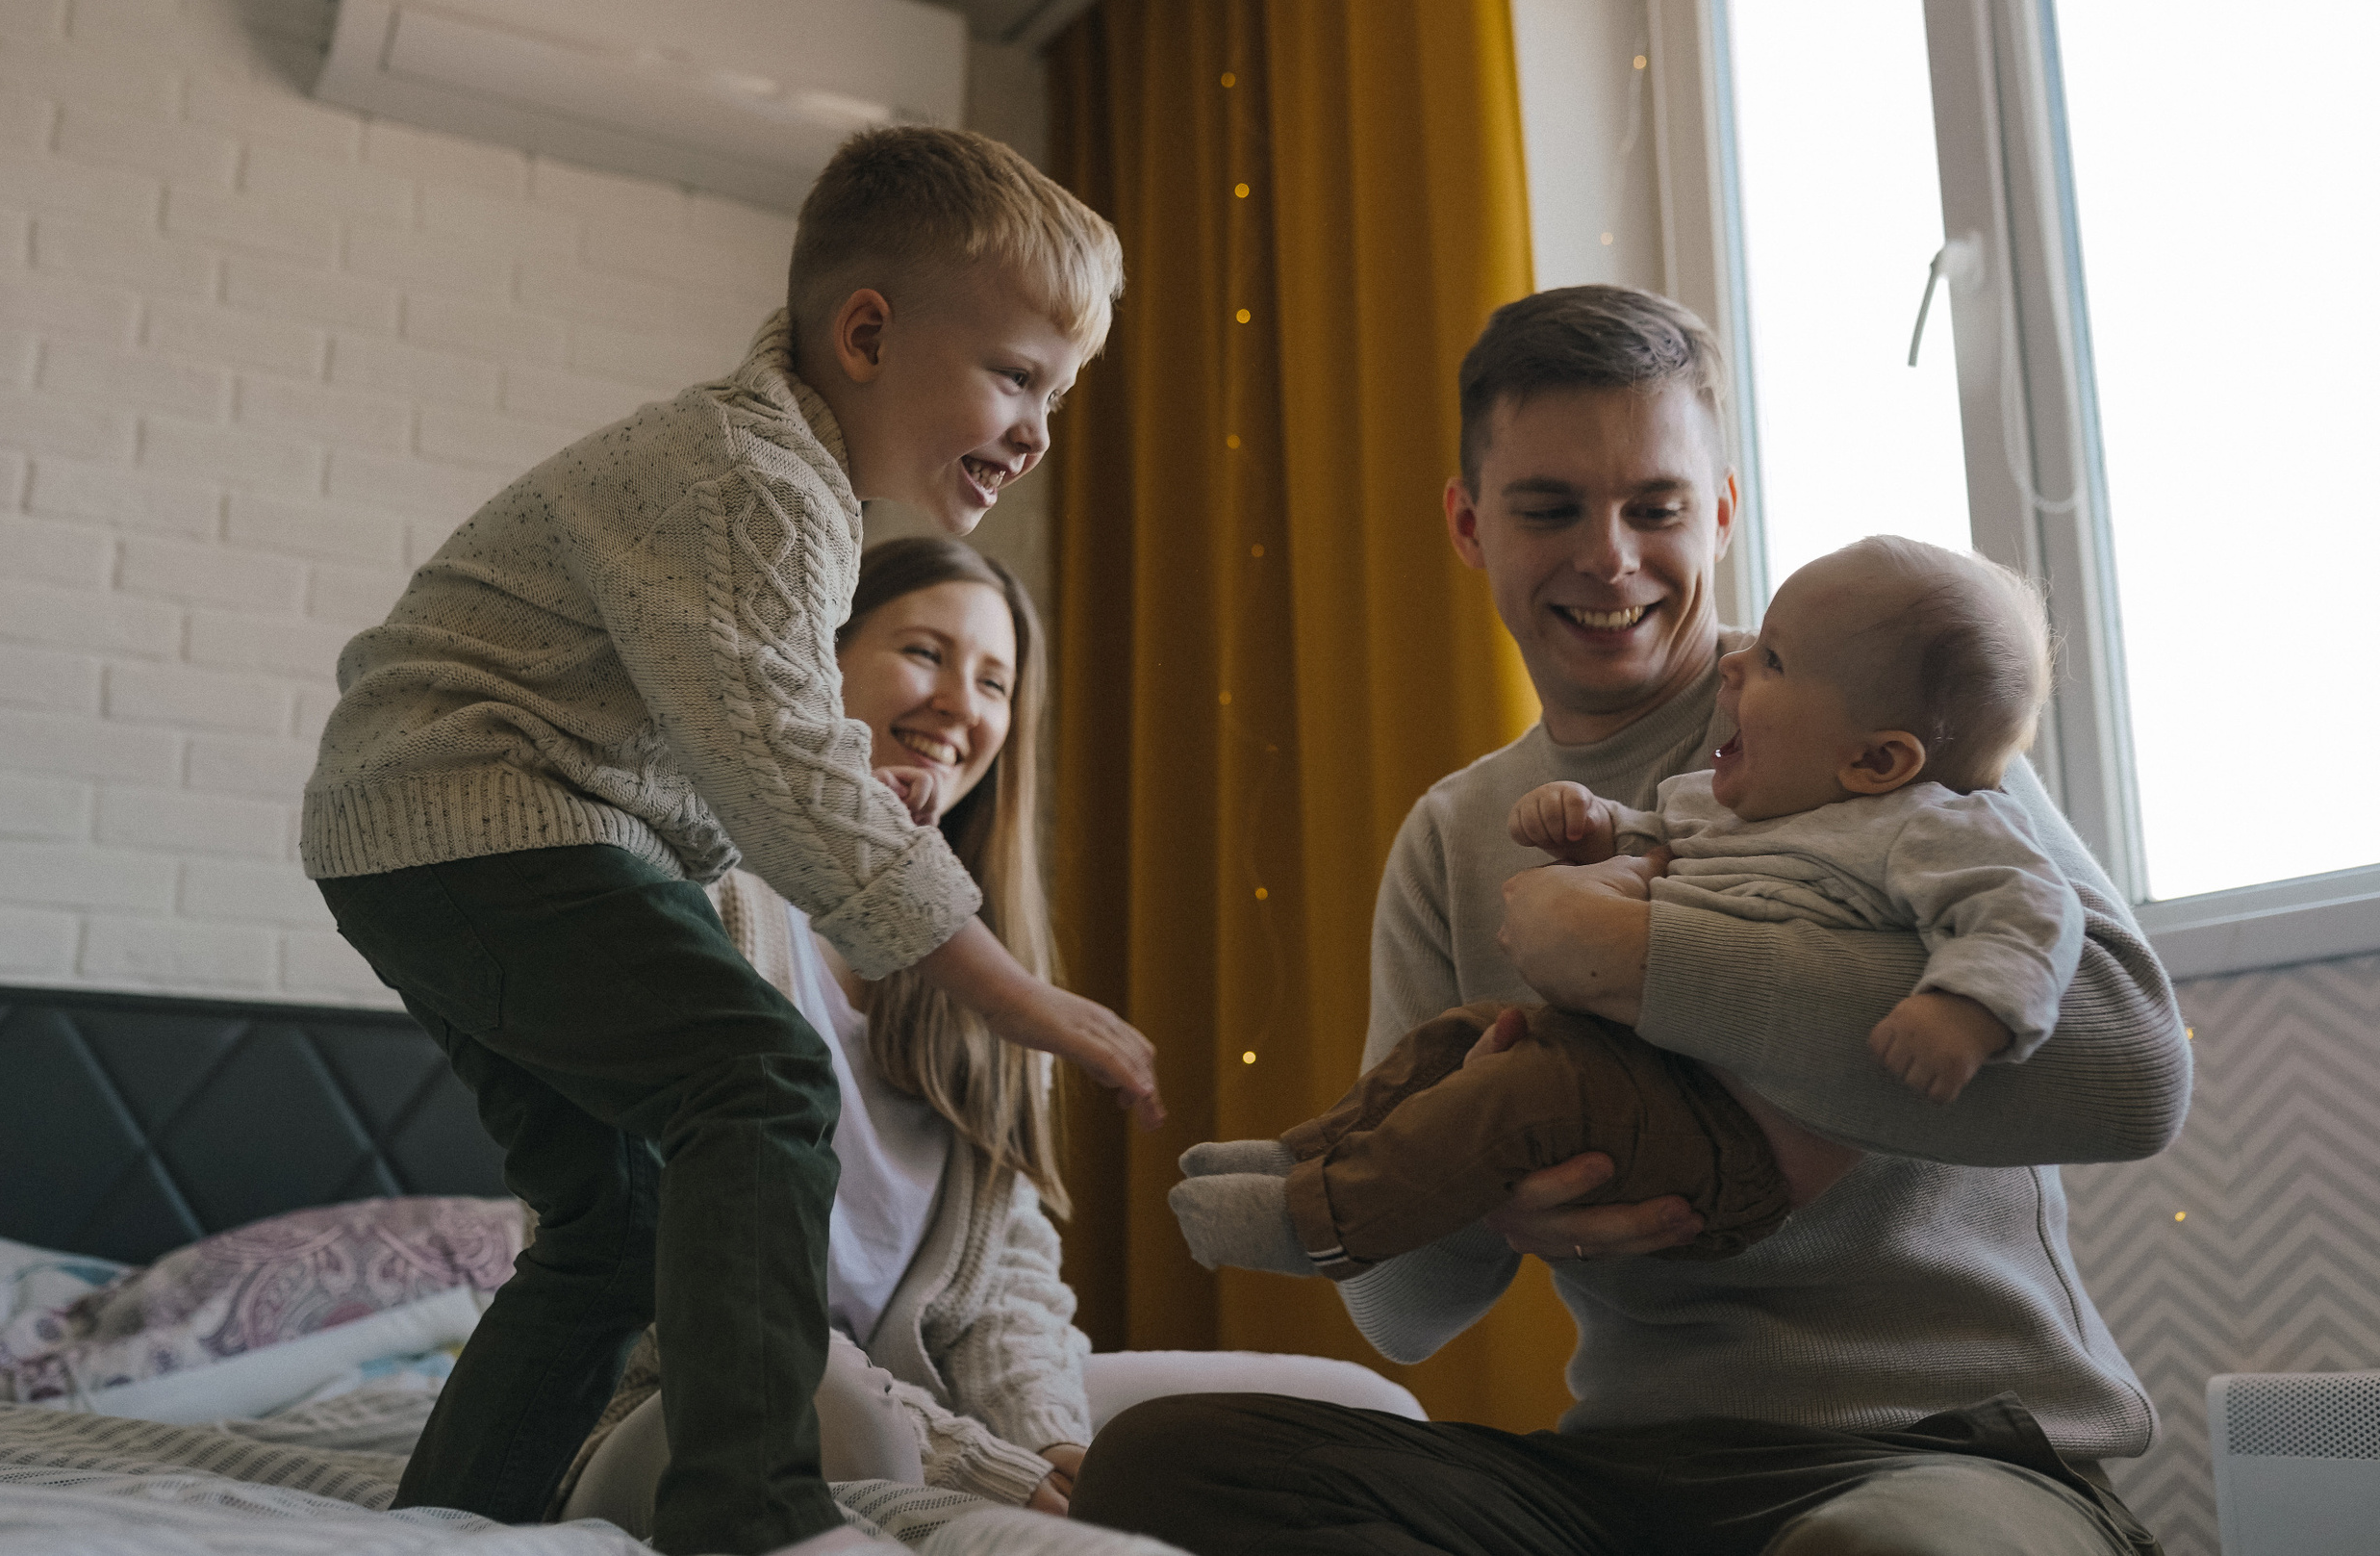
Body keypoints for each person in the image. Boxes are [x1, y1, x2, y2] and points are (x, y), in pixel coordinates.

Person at [1071, 286, 2187, 1555]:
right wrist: (1493, 1188)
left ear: (1717, 508)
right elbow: (1404, 1313)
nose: (1610, 555)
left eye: (1655, 507)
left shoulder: (1884, 725)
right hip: (1626, 1478)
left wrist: (1649, 962)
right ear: (1467, 521)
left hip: (1945, 1453)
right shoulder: (1456, 832)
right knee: (1169, 1464)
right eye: (1550, 507)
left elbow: (2135, 1075)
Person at [303, 127, 1163, 1556]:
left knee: (615, 1221)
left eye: (1056, 393)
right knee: (758, 1073)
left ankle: (453, 1520)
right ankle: (751, 1509)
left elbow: (742, 760)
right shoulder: (752, 479)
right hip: (473, 811)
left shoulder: (778, 482)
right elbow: (780, 763)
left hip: (430, 828)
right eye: (1016, 376)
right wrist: (1020, 992)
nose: (1036, 431)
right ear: (869, 334)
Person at [550, 539, 1426, 1543]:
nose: (962, 704)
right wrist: (978, 1464)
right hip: (696, 1400)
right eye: (924, 652)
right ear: (816, 658)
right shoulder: (702, 905)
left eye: (996, 683)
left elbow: (1006, 1280)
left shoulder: (985, 989)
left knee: (1363, 1415)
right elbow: (680, 1276)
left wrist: (1048, 1445)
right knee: (839, 1411)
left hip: (928, 1397)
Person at [1167, 535, 2082, 1281]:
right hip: (1650, 1087)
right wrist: (1593, 827)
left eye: (1771, 659)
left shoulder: (1928, 827)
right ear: (1467, 521)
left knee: (1529, 1093)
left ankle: (1314, 1223)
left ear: (1877, 763)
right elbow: (1653, 837)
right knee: (1463, 1042)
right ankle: (1308, 1160)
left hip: (1737, 1150)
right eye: (1551, 507)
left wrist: (1967, 1008)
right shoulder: (1735, 803)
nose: (1732, 662)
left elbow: (2030, 907)